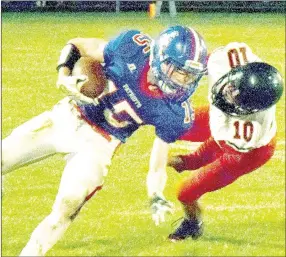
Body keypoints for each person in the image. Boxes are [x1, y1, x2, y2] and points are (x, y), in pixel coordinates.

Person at [2, 25, 208, 256]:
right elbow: (78, 44)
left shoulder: (176, 112)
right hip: (67, 117)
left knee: (68, 203)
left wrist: (156, 194)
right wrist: (64, 75)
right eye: (180, 71)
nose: (185, 81)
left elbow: (157, 164)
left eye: (191, 75)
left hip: (100, 144)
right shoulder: (132, 47)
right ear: (160, 58)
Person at [166, 42, 284, 241]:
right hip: (224, 124)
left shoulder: (251, 128)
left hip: (248, 154)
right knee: (170, 121)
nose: (230, 100)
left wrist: (190, 161)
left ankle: (192, 223)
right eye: (232, 93)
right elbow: (198, 61)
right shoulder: (228, 58)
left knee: (185, 193)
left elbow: (222, 149)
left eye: (240, 103)